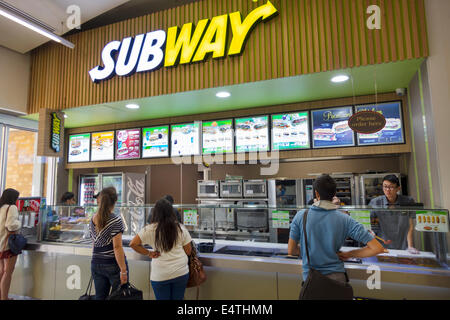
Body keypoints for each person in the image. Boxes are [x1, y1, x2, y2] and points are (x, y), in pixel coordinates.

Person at [288, 175, 384, 291]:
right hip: (337, 280)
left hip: (311, 280)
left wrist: (310, 249)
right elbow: (377, 248)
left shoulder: (301, 216)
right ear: (334, 194)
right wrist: (350, 254)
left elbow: (291, 250)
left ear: (316, 194)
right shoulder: (345, 218)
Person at [130, 198, 192, 300]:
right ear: (171, 212)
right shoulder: (180, 228)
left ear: (155, 212)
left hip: (160, 275)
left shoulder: (149, 229)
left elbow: (133, 244)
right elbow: (188, 251)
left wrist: (149, 253)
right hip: (180, 272)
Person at [90, 187, 128, 300]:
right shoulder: (116, 220)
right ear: (115, 201)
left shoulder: (93, 218)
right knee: (118, 297)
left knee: (100, 297)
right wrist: (123, 270)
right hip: (112, 264)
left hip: (96, 263)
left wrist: (95, 259)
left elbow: (94, 243)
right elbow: (117, 247)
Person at [369, 174, 418, 253]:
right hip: (382, 245)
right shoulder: (375, 202)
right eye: (385, 186)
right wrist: (372, 233)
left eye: (391, 187)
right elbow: (373, 224)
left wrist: (410, 246)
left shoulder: (408, 201)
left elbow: (410, 226)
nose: (387, 190)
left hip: (403, 245)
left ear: (398, 188)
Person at [0, 188, 21, 300]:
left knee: (2, 271)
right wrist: (20, 222)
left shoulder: (1, 207)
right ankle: (4, 298)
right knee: (8, 273)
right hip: (8, 244)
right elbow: (11, 225)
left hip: (0, 244)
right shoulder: (11, 207)